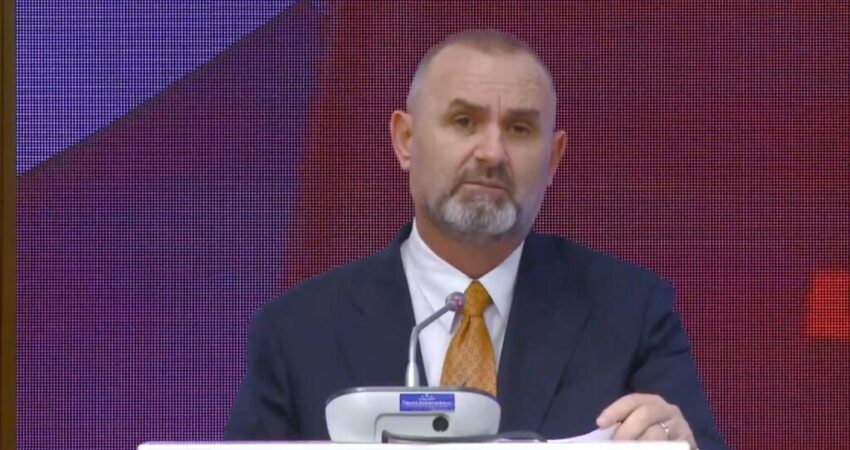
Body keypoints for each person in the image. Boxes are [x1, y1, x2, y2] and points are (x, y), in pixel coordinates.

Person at [225, 29, 727, 450]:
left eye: (520, 128)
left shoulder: (630, 312)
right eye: (464, 121)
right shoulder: (298, 331)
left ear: (553, 159)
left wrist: (679, 443)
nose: (492, 153)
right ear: (405, 140)